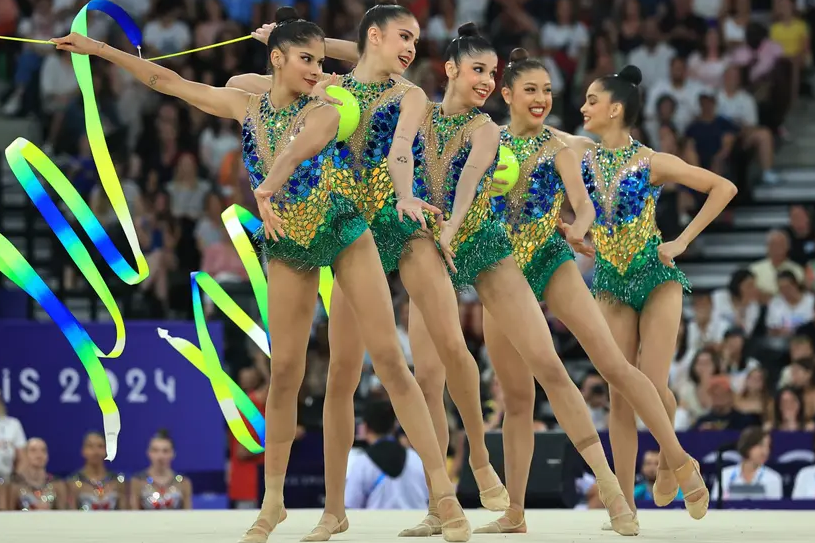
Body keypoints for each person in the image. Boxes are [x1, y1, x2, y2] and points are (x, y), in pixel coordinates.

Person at [51, 8, 470, 542]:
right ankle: (273, 504)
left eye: (321, 60)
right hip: (288, 245)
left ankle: (446, 495)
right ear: (277, 59)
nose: (318, 70)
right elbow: (168, 81)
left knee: (389, 358)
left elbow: (304, 145)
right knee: (285, 373)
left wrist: (268, 185)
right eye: (306, 59)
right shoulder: (245, 106)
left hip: (344, 231)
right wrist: (100, 51)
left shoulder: (325, 106)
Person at [401, 28, 709, 536]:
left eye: (548, 91)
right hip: (501, 268)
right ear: (508, 95)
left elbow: (586, 199)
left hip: (550, 259)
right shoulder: (485, 136)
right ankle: (516, 513)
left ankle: (678, 460)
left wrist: (580, 230)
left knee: (612, 365)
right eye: (531, 90)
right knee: (516, 397)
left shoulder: (565, 144)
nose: (543, 99)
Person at [228, 6, 508, 540]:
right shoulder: (325, 89)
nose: (411, 49)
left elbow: (401, 148)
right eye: (403, 37)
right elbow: (243, 85)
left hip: (397, 223)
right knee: (341, 377)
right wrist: (286, 55)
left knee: (449, 345)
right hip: (346, 233)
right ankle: (334, 510)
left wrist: (405, 194)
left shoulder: (410, 95)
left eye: (416, 40)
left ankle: (477, 467)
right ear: (375, 37)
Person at [576, 65, 737, 527]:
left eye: (591, 100)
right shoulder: (581, 155)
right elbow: (535, 136)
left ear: (616, 108)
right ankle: (625, 502)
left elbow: (722, 187)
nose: (584, 107)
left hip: (656, 276)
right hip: (610, 282)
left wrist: (681, 241)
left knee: (651, 382)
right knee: (621, 391)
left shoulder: (651, 161)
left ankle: (675, 462)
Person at [345, 399, 428, 510]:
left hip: (378, 526)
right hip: (417, 524)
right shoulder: (416, 459)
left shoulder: (362, 464)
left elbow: (351, 505)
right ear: (394, 426)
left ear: (364, 427)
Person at [710, 427, 783, 501]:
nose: (765, 452)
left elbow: (775, 509)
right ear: (748, 445)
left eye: (768, 446)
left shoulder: (773, 478)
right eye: (761, 445)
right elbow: (716, 507)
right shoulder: (724, 475)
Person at [129, 430, 192, 509]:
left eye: (165, 451)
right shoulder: (138, 481)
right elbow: (133, 515)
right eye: (155, 450)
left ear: (173, 453)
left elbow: (188, 516)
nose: (160, 456)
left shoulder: (183, 482)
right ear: (149, 453)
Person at [66, 431, 126, 510]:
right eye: (90, 446)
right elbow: (69, 516)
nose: (95, 451)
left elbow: (125, 515)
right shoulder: (73, 482)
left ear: (107, 450)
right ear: (83, 451)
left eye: (100, 446)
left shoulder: (117, 482)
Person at [9, 438, 66, 510]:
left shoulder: (56, 483)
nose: (39, 455)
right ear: (24, 455)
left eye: (43, 451)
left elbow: (65, 512)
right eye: (33, 450)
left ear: (47, 456)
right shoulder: (15, 483)